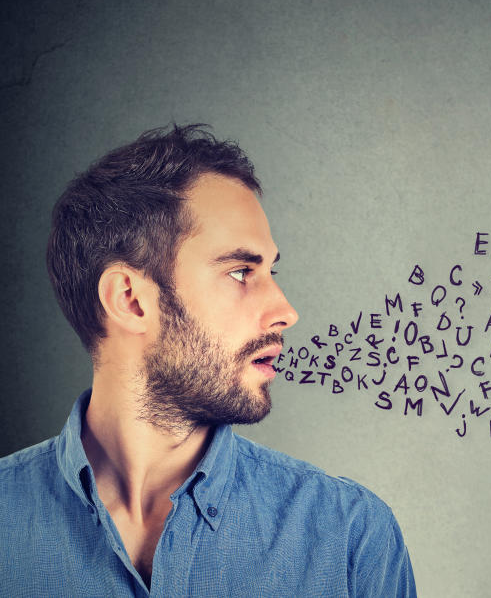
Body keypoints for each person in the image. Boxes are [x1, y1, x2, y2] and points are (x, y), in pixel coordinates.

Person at [0, 125, 417, 596]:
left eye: (270, 270)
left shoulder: (349, 539)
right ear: (131, 300)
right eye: (240, 272)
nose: (286, 312)